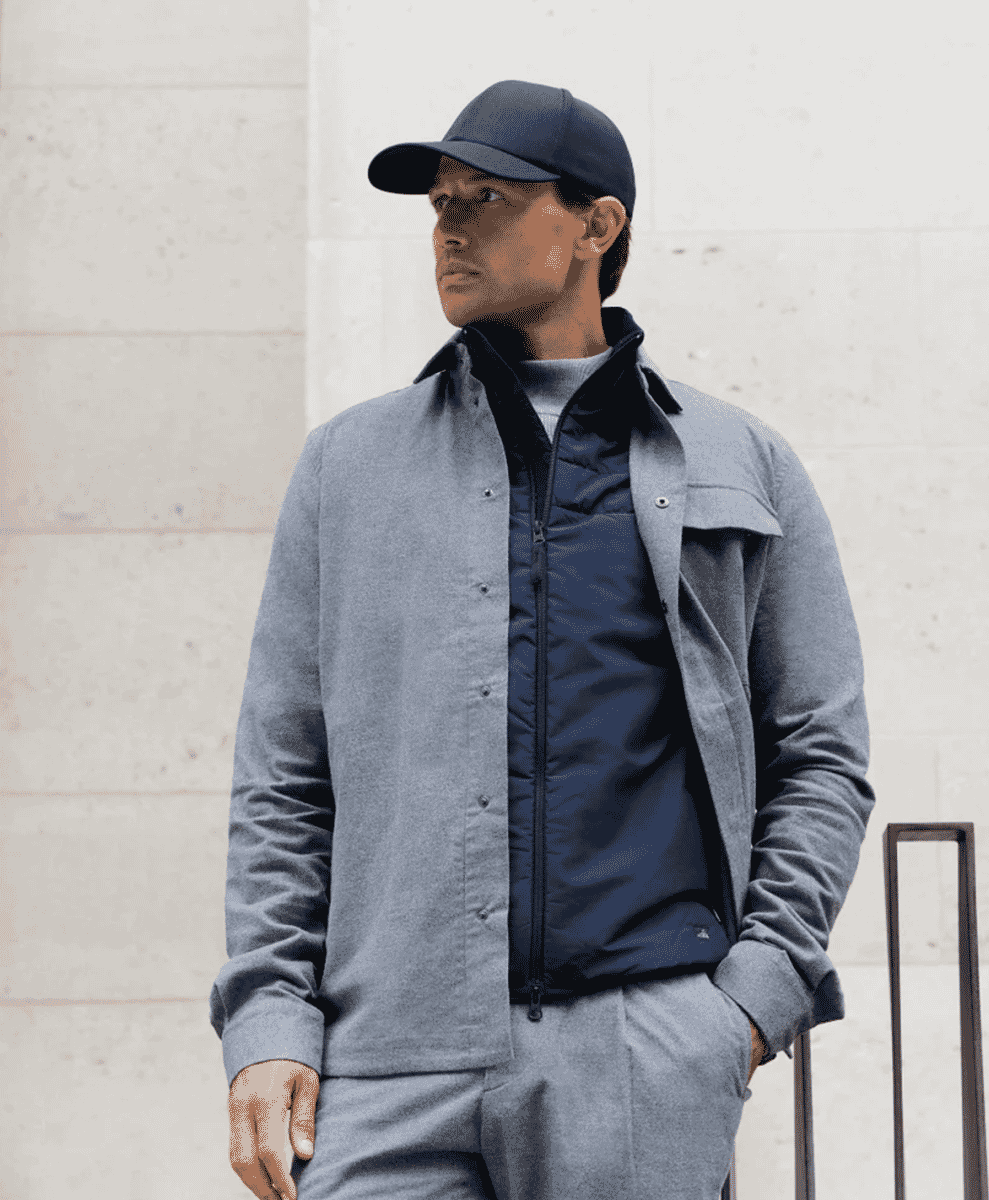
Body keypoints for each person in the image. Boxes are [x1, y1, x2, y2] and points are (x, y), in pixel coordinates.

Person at [210, 80, 875, 1200]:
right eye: (437, 205)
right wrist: (271, 1019)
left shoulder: (740, 464)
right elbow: (283, 775)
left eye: (486, 198)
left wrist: (747, 1004)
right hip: (383, 1061)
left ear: (594, 226)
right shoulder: (348, 467)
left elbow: (819, 753)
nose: (449, 227)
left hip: (638, 1053)